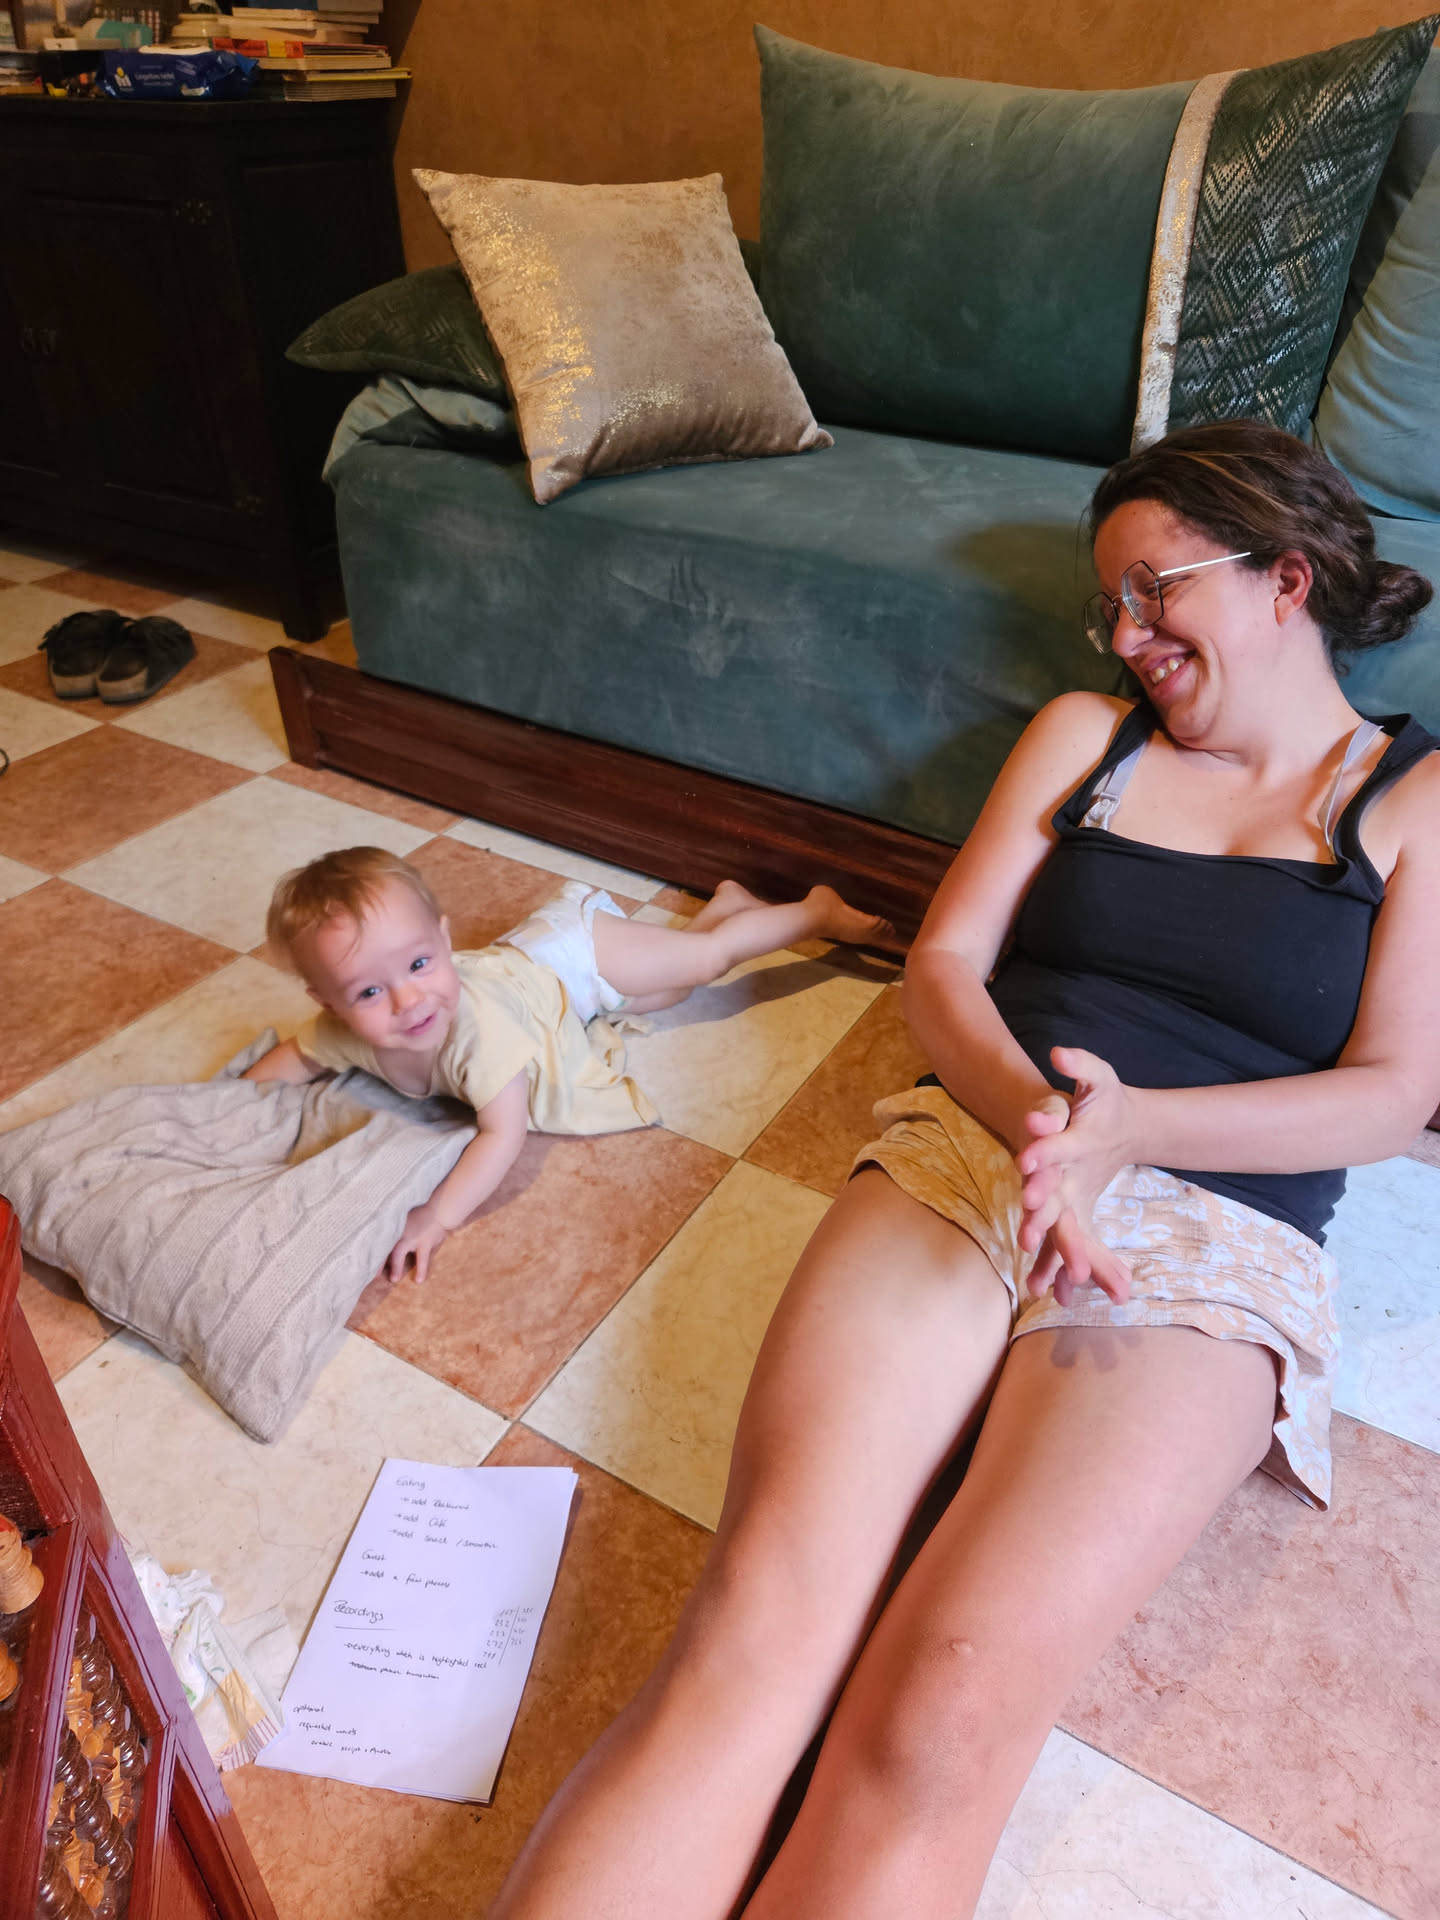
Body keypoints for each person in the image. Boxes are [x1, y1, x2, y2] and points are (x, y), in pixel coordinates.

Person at [484, 420, 1440, 1920]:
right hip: (979, 1140)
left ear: (1285, 577)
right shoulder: (1086, 736)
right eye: (1110, 607)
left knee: (944, 1710)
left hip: (1217, 1220)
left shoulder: (1418, 799)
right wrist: (1047, 1125)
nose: (1128, 636)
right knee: (757, 1625)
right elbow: (943, 966)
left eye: (1154, 590)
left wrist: (1135, 1135)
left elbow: (1393, 1097)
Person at [245, 848, 890, 1281]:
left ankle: (816, 909)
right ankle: (727, 904)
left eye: (419, 964)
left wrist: (436, 1215)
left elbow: (503, 1132)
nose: (408, 1001)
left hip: (573, 954)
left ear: (443, 940)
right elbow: (295, 1058)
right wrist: (236, 1100)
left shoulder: (479, 1033)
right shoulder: (342, 1034)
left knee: (706, 963)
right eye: (368, 991)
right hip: (551, 983)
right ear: (327, 1001)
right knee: (668, 991)